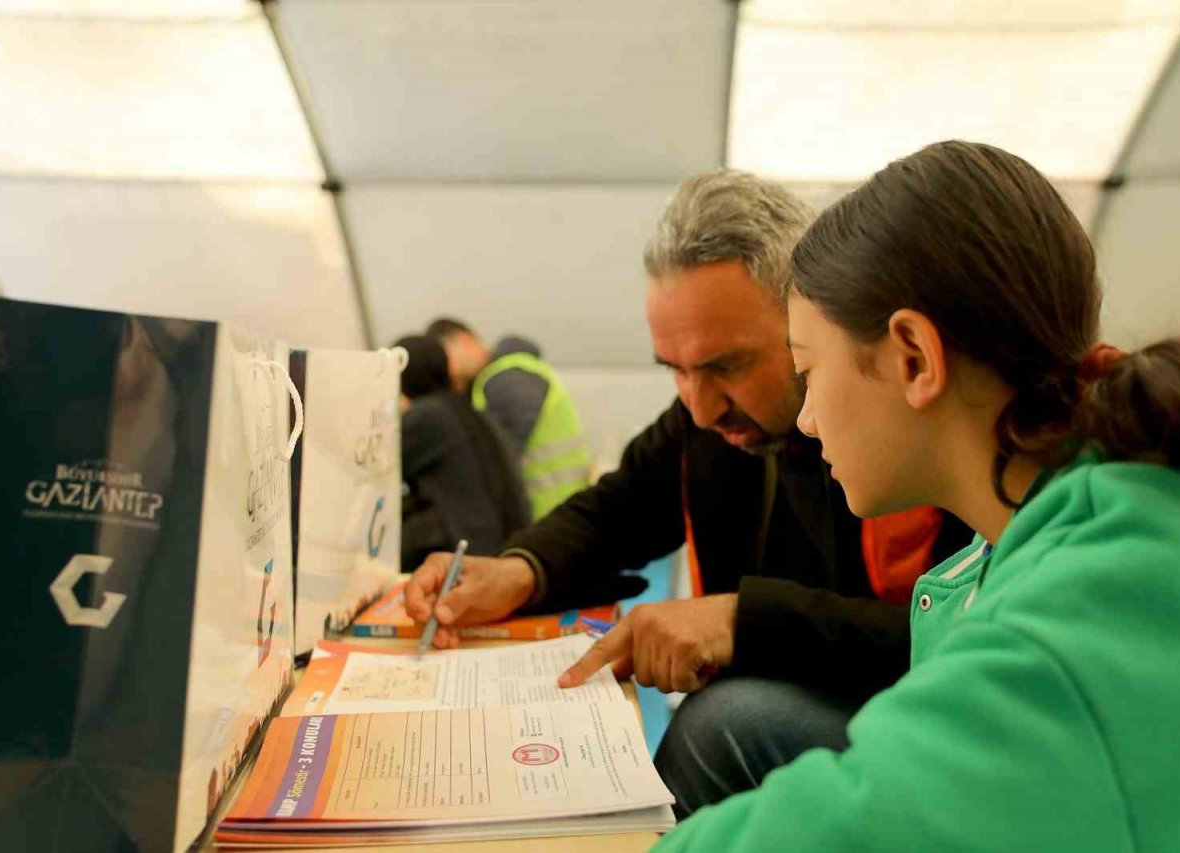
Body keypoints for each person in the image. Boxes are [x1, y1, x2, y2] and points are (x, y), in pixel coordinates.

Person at [655, 141, 1180, 852]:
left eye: (810, 369)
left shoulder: (1064, 630)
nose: (806, 418)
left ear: (914, 356)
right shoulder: (1144, 500)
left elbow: (851, 819)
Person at [405, 170, 972, 817]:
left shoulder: (906, 434)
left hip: (910, 722)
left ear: (813, 319)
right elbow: (619, 507)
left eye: (725, 365)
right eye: (675, 369)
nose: (699, 408)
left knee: (723, 721)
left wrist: (744, 620)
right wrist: (518, 569)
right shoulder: (707, 421)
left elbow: (956, 638)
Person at [426, 318, 592, 519]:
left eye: (448, 357)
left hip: (549, 512)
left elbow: (501, 457)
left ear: (466, 341)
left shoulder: (506, 378)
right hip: (557, 509)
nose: (449, 369)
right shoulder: (506, 374)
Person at [394, 335, 530, 568]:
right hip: (506, 543)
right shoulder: (463, 407)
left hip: (471, 552)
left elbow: (375, 468)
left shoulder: (427, 416)